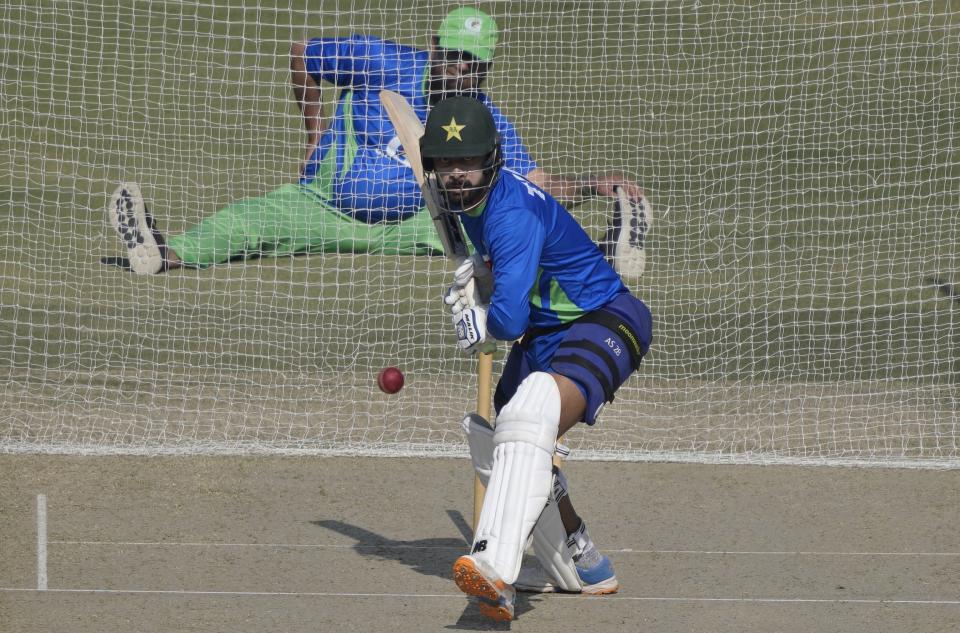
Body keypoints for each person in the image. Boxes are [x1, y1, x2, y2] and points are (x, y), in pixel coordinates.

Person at [102, 7, 649, 275]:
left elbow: (536, 182)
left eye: (473, 62)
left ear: (486, 67)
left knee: (512, 229)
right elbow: (302, 54)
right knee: (247, 224)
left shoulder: (484, 117)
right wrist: (314, 133)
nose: (460, 68)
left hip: (424, 222)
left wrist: (596, 184)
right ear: (434, 45)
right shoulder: (377, 59)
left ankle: (607, 250)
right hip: (326, 202)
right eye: (453, 53)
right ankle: (157, 250)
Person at [421, 96, 653, 621]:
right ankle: (581, 561)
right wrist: (481, 277)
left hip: (606, 319)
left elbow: (508, 322)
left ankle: (494, 567)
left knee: (529, 413)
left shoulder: (511, 214)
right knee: (502, 438)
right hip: (549, 333)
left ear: (493, 158)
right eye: (444, 162)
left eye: (468, 161)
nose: (456, 174)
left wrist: (481, 317)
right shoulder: (469, 207)